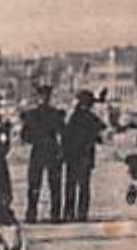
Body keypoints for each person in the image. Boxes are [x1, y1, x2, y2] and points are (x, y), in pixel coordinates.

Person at [19, 85, 66, 223]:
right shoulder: (51, 114)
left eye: (45, 96)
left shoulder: (37, 115)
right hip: (43, 149)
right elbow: (24, 135)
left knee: (51, 184)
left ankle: (50, 214)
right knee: (38, 184)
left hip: (46, 150)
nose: (43, 99)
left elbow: (62, 133)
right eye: (41, 96)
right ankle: (39, 213)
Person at [61, 91, 106, 222]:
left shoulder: (74, 117)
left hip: (72, 156)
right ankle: (81, 213)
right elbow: (101, 129)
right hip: (85, 156)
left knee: (71, 185)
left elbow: (65, 135)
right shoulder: (90, 117)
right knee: (84, 187)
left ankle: (69, 213)